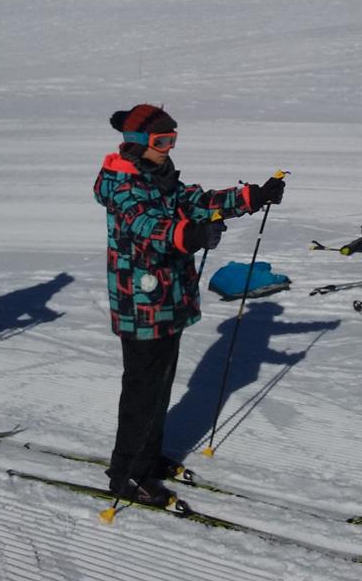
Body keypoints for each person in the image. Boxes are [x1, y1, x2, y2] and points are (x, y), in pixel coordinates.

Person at [94, 104, 285, 508]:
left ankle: (147, 457)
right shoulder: (124, 186)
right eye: (161, 140)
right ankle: (127, 473)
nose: (168, 146)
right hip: (140, 303)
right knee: (142, 391)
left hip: (167, 297)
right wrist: (194, 233)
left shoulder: (160, 177)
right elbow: (149, 228)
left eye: (173, 139)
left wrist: (253, 195)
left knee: (160, 386)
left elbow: (197, 200)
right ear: (139, 143)